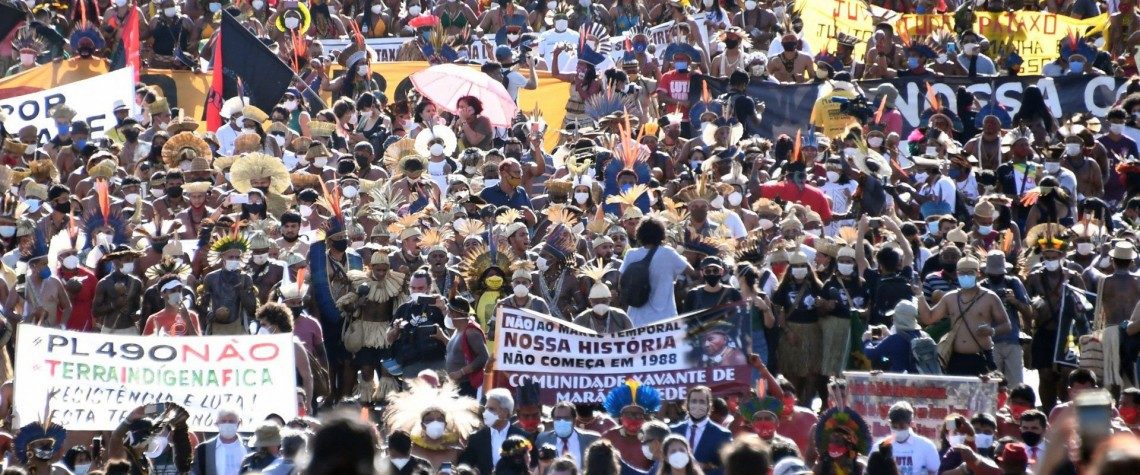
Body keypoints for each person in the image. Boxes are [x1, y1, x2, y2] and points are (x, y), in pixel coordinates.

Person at [916, 257, 1012, 376]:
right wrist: (920, 295)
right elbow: (929, 318)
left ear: (978, 273)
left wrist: (992, 330)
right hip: (956, 359)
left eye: (970, 273)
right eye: (962, 273)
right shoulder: (950, 297)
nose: (966, 276)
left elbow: (1006, 325)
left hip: (982, 356)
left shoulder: (990, 297)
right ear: (957, 274)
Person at [620, 217, 693, 327]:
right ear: (661, 235)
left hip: (636, 320)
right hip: (665, 320)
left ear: (639, 234)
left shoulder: (631, 254)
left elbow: (621, 282)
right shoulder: (668, 253)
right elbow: (691, 272)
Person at [458, 388, 527, 475]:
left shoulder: (523, 437)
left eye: (491, 409)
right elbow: (465, 463)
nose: (486, 413)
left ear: (505, 412)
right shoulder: (476, 438)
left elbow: (531, 466)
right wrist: (468, 470)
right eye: (485, 409)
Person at [671, 386, 732, 475]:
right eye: (694, 401)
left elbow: (728, 467)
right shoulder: (673, 430)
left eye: (702, 402)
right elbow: (663, 463)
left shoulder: (721, 434)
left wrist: (704, 468)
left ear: (709, 405)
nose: (697, 405)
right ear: (687, 404)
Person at [874, 401, 940, 475]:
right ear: (889, 423)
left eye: (902, 426)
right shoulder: (879, 447)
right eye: (894, 426)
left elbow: (934, 471)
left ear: (910, 424)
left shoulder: (926, 446)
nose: (898, 430)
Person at [537, 402, 602, 464]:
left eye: (566, 418)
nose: (562, 422)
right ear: (553, 420)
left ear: (574, 420)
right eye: (558, 418)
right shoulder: (542, 439)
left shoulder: (592, 440)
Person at [190, 407, 247, 475]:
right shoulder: (203, 449)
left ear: (239, 423)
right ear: (217, 423)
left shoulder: (250, 448)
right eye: (223, 421)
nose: (227, 424)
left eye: (231, 421)